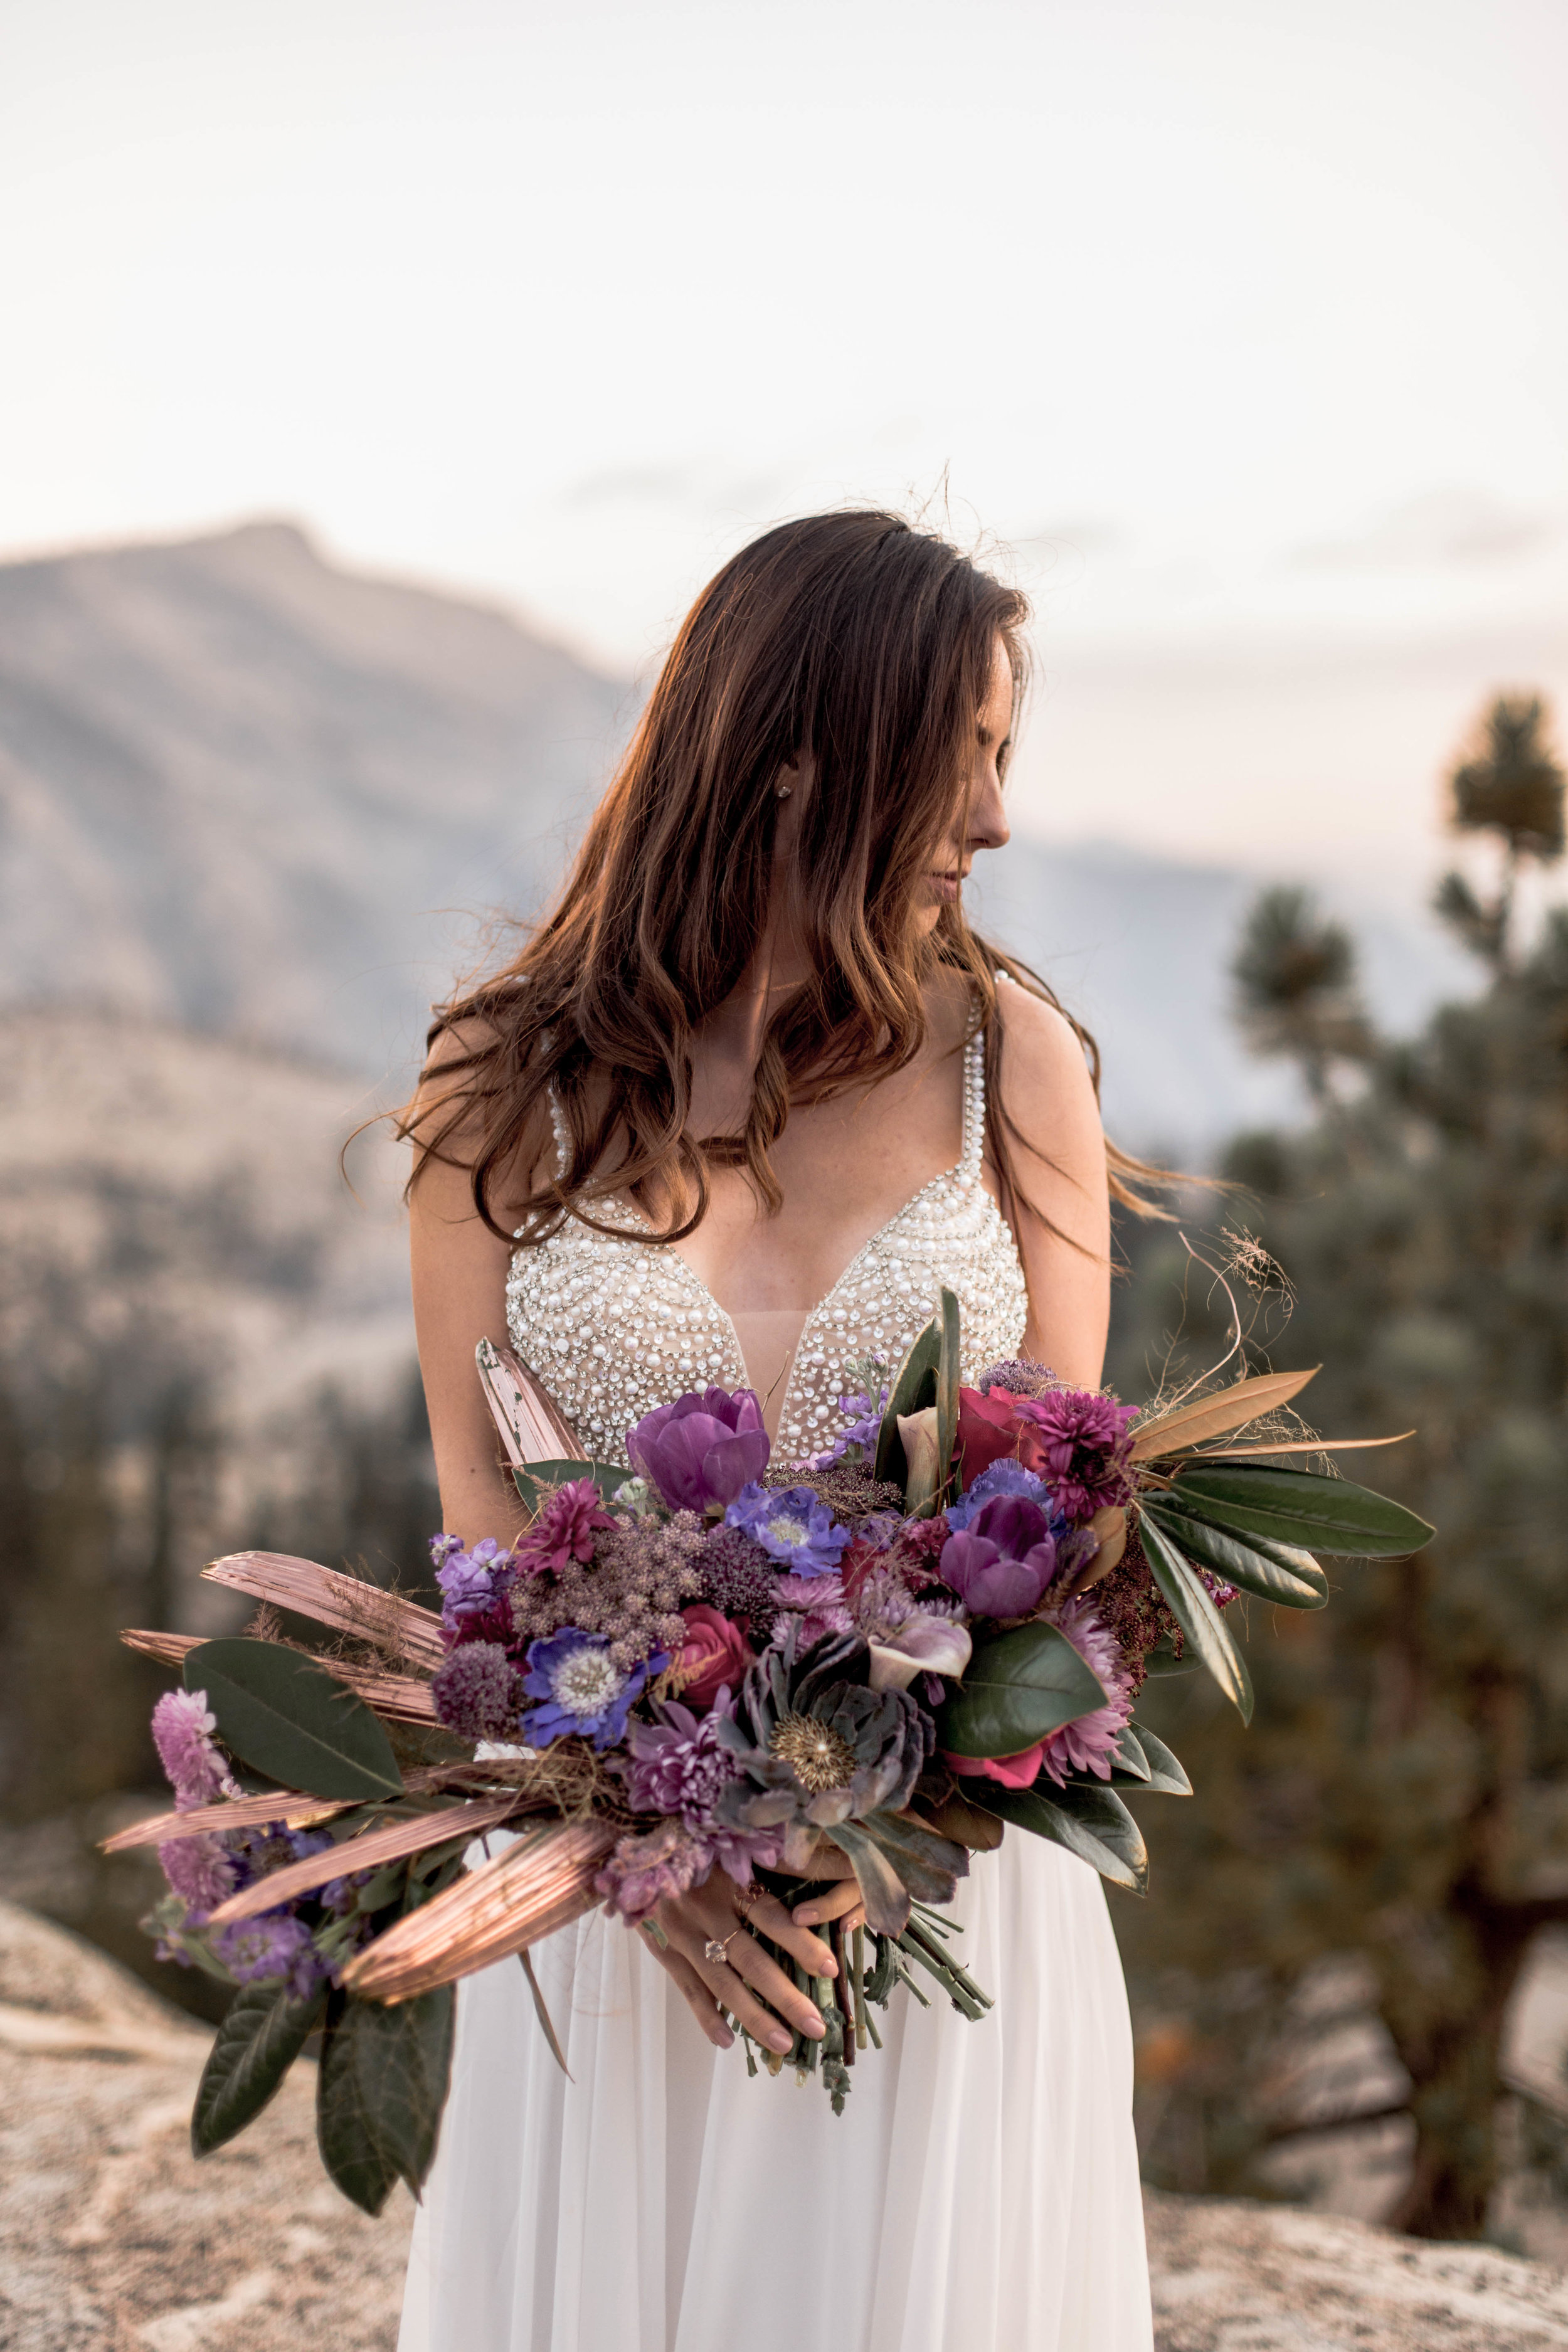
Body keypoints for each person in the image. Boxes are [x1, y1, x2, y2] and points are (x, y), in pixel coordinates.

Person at [398, 511, 1157, 2351]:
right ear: (806, 748)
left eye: (1001, 756)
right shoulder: (500, 1082)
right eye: (960, 754)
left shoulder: (1013, 1065)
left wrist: (869, 1824)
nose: (993, 820)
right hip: (613, 1903)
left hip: (922, 1891)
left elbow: (1071, 1522)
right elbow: (482, 1511)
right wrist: (639, 1855)